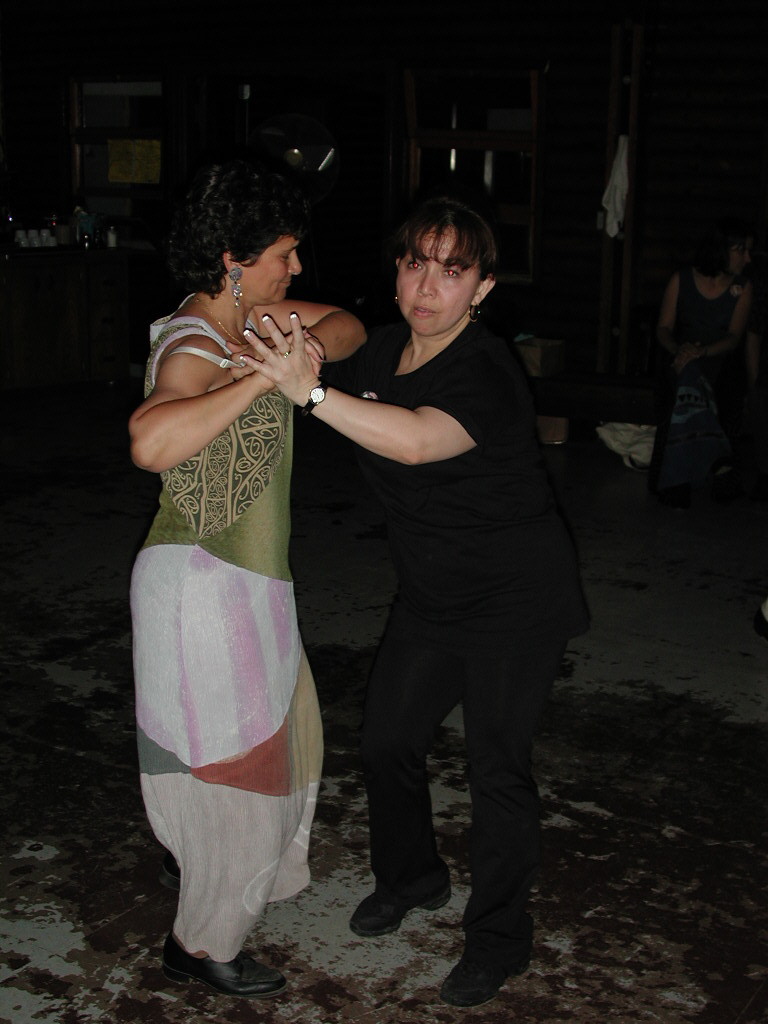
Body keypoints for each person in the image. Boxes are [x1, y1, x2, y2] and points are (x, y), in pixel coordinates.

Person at [244, 195, 589, 1008]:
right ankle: (412, 878)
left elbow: (417, 440)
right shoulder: (383, 350)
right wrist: (238, 304)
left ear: (483, 288)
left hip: (516, 601)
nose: (429, 286)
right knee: (386, 742)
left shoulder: (488, 370)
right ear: (397, 271)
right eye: (415, 264)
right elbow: (315, 325)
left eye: (453, 271)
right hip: (433, 597)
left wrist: (310, 395)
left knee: (497, 770)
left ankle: (498, 938)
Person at [128, 158, 365, 998]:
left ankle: (201, 875)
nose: (295, 268)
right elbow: (151, 440)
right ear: (233, 258)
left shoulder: (252, 320)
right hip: (203, 583)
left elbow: (349, 327)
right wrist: (261, 374)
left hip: (251, 583)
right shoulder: (194, 340)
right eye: (283, 254)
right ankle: (198, 945)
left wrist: (295, 344)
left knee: (274, 744)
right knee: (236, 769)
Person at [649, 217, 754, 508]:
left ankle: (677, 480)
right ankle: (718, 463)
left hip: (715, 360)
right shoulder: (682, 279)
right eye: (741, 250)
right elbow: (663, 328)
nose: (747, 258)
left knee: (695, 382)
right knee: (686, 376)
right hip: (682, 358)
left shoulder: (742, 287)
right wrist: (680, 350)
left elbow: (733, 337)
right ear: (722, 250)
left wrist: (702, 352)